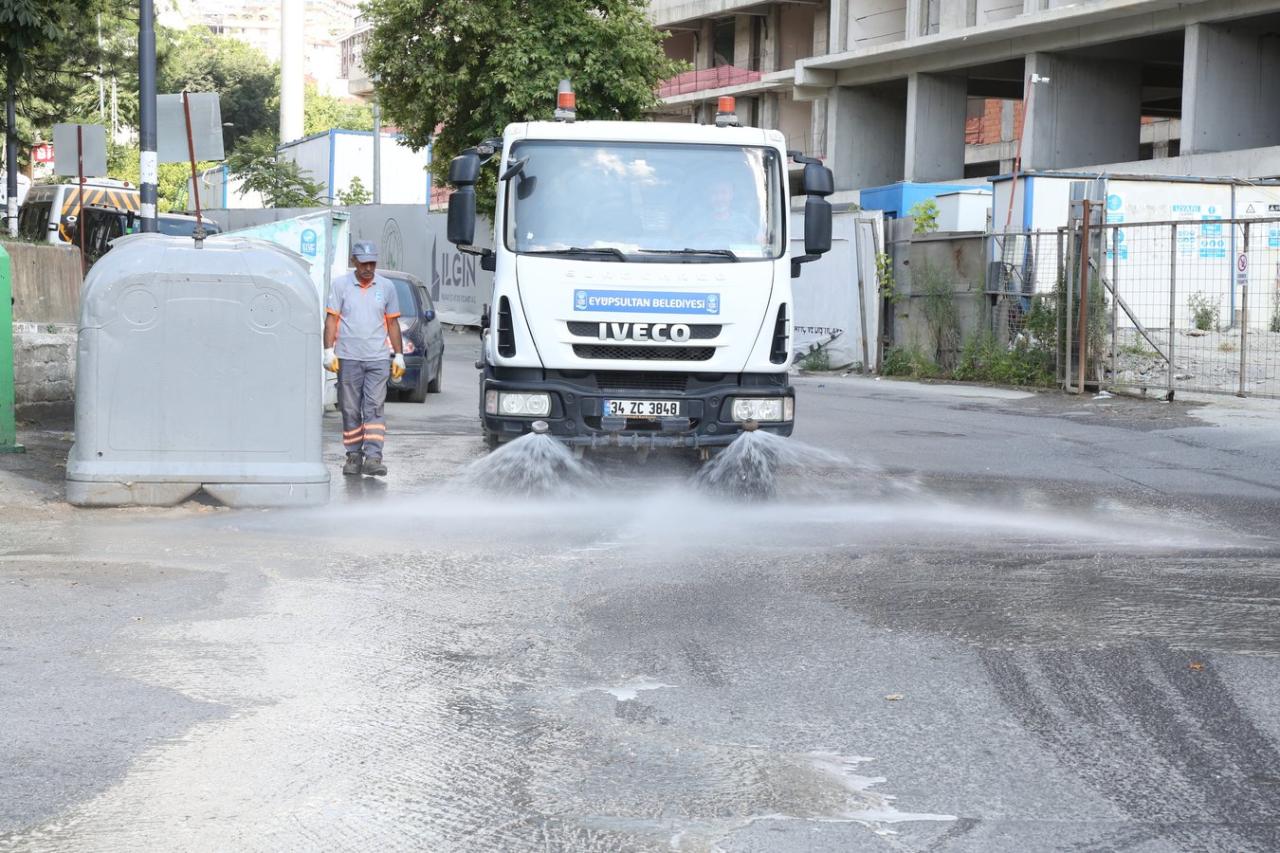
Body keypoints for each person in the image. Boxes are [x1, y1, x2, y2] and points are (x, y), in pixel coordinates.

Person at [323, 241, 406, 477]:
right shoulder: (340, 286)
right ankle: (353, 455)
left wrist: (398, 355)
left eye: (372, 263)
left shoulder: (387, 287)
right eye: (363, 263)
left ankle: (373, 457)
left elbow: (392, 322)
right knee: (350, 408)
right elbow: (331, 319)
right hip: (348, 358)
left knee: (374, 407)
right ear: (354, 261)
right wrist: (328, 350)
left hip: (378, 359)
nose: (368, 268)